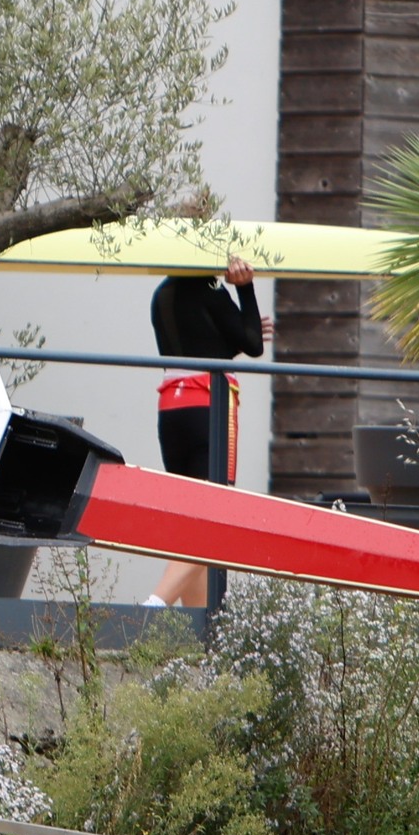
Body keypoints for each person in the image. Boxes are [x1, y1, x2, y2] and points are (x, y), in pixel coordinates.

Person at [143, 255, 271, 608]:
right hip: (209, 403)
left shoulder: (163, 293)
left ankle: (196, 628)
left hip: (171, 405)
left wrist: (243, 330)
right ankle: (155, 604)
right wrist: (244, 290)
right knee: (215, 516)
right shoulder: (210, 288)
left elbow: (204, 344)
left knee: (188, 518)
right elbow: (254, 344)